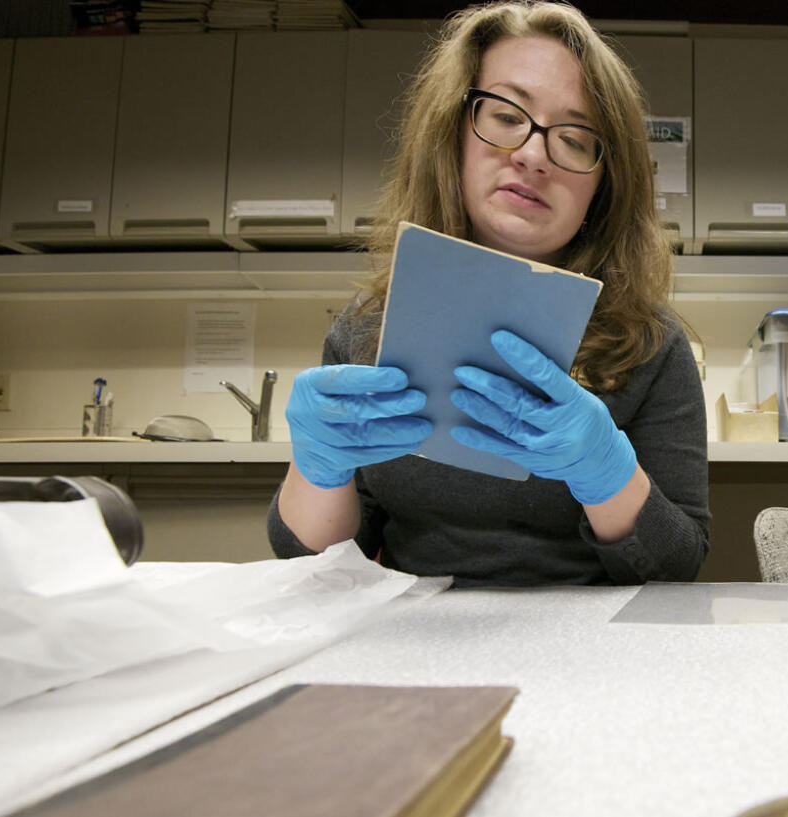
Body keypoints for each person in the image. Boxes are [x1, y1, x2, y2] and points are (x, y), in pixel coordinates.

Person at [268, 0, 709, 586]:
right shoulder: (367, 329)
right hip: (415, 640)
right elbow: (312, 565)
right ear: (452, 132)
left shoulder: (652, 344)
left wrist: (608, 476)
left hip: (593, 649)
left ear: (604, 184)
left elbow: (679, 565)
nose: (532, 154)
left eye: (575, 139)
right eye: (505, 115)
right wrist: (317, 470)